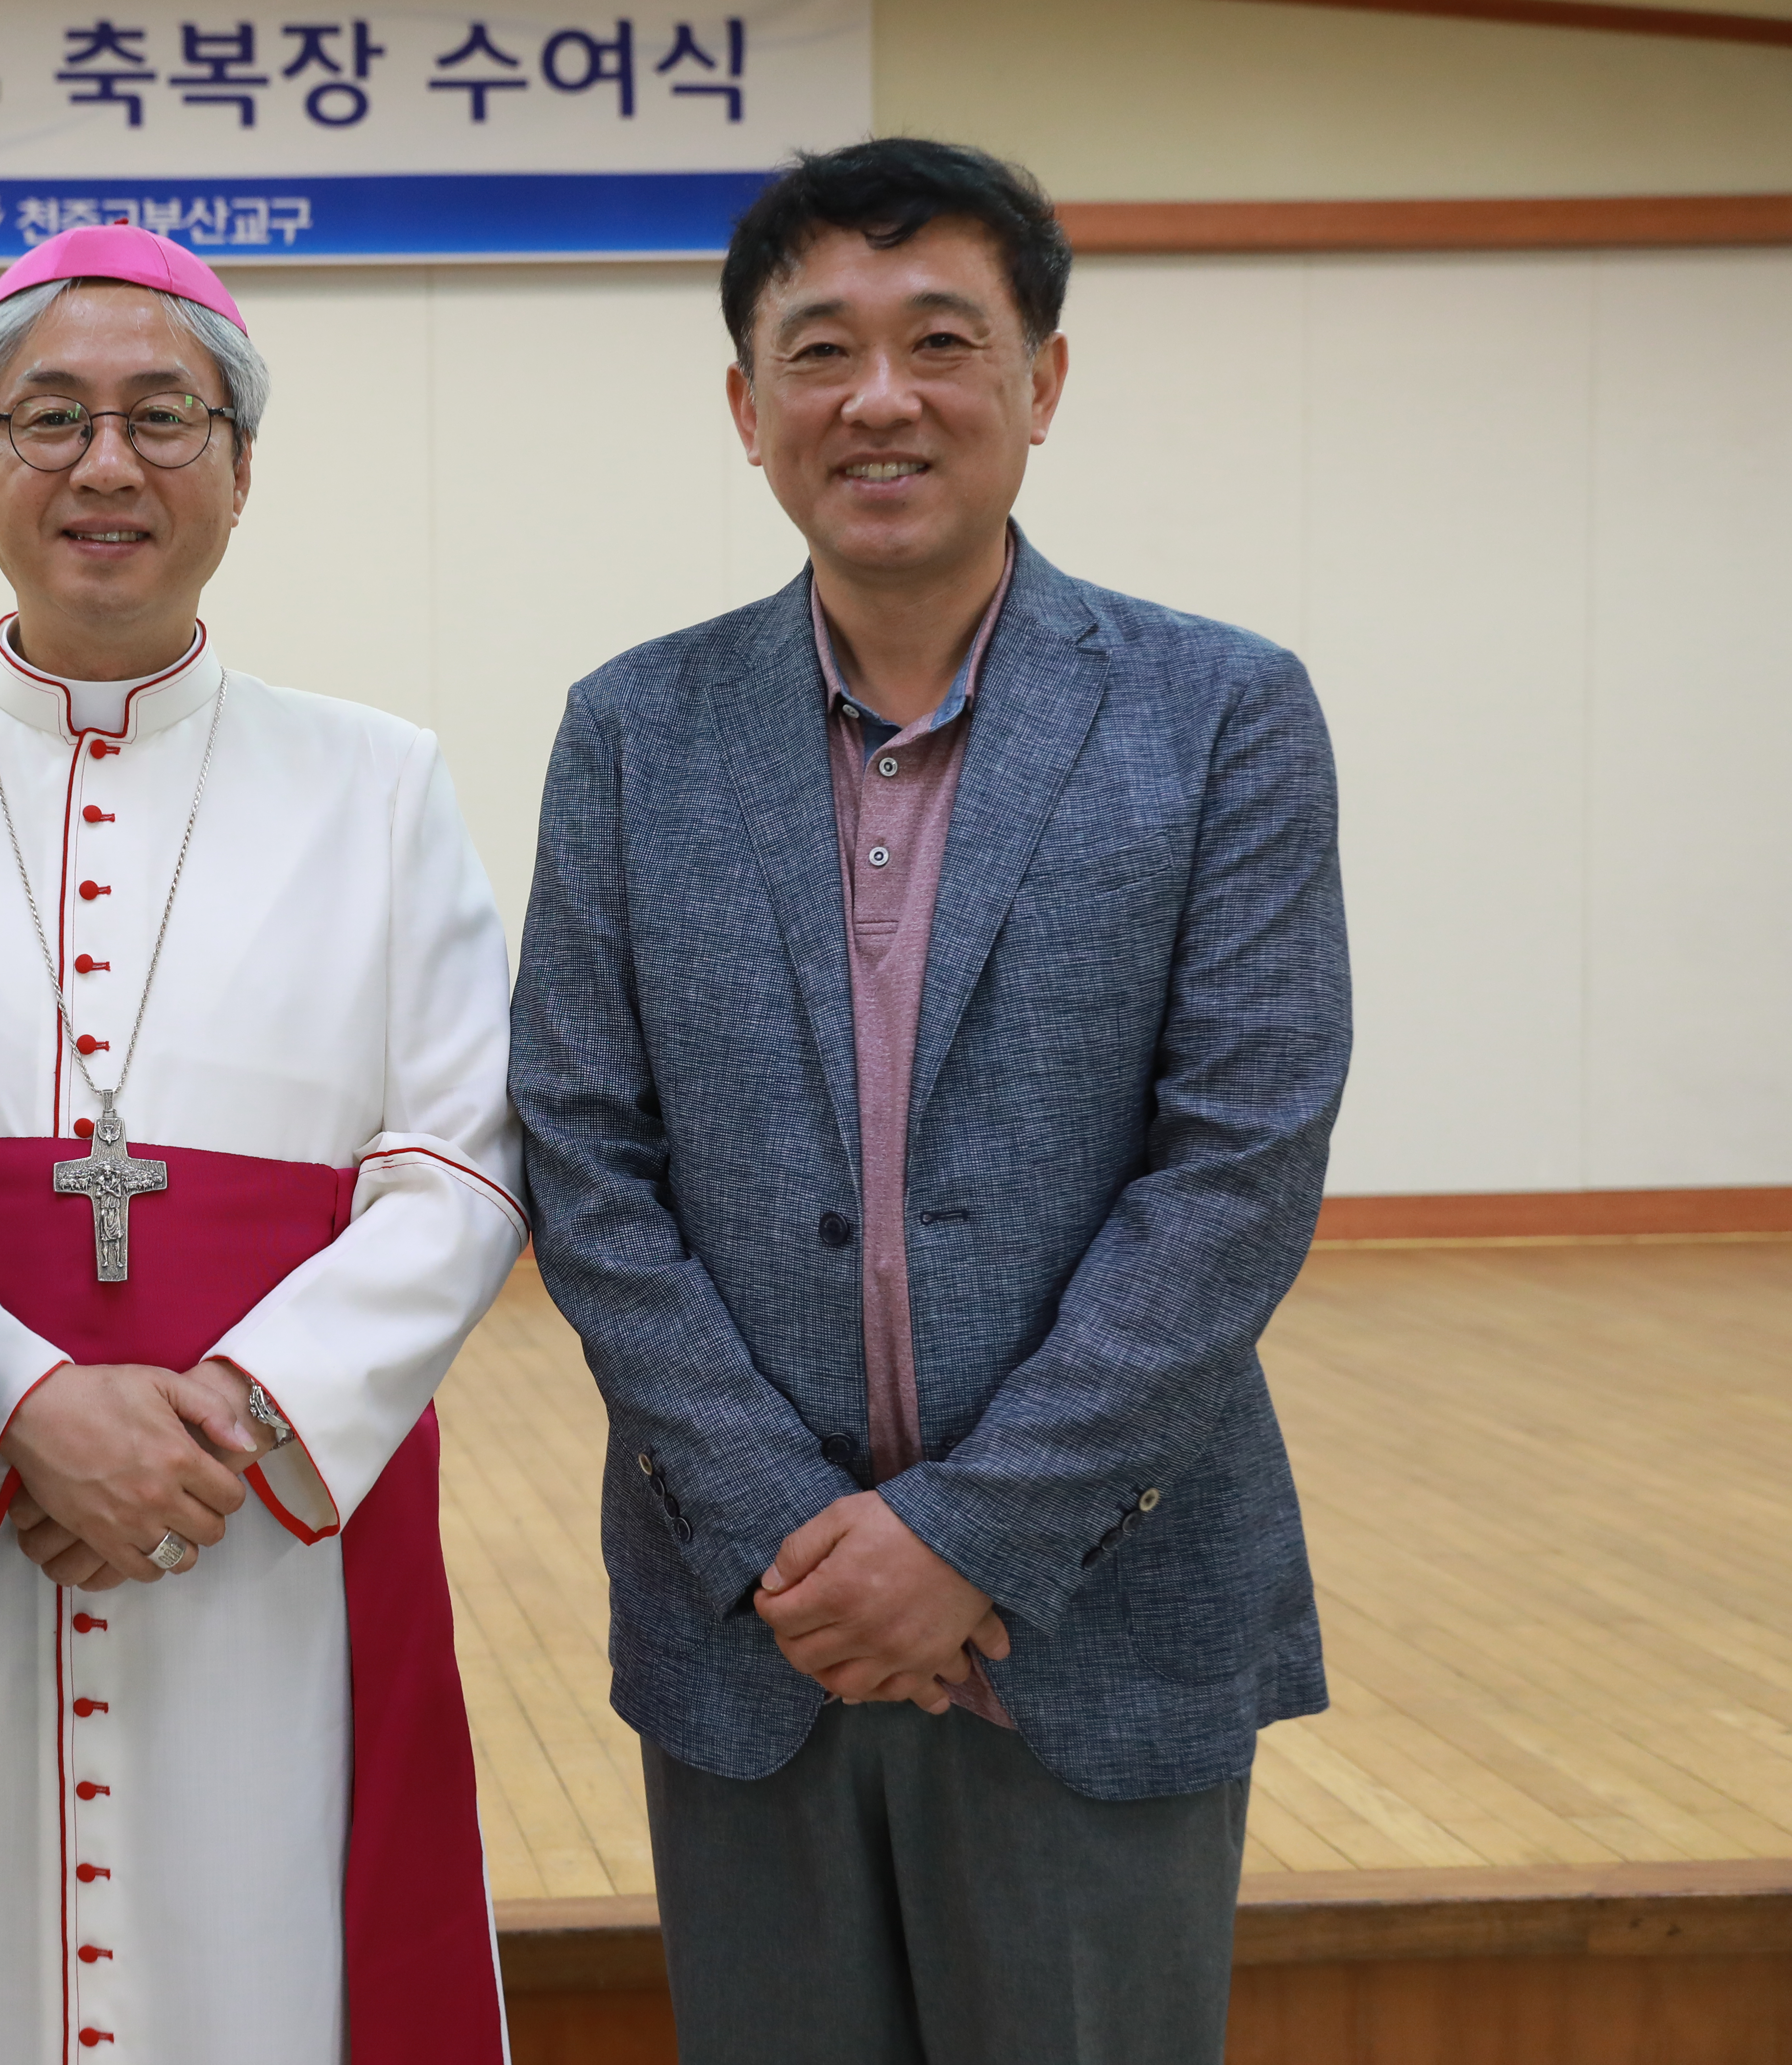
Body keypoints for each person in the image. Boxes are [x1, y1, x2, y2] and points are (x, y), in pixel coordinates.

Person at [510, 139, 1353, 2064]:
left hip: (1100, 1600)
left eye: (941, 342)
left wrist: (965, 1538)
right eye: (819, 352)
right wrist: (794, 1533)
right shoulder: (632, 729)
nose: (878, 398)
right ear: (746, 408)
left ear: (1043, 381)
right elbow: (584, 1150)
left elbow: (1238, 1168)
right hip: (758, 1621)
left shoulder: (1221, 715)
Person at [0, 225, 525, 2065]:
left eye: (166, 416)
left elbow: (466, 1159)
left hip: (275, 1542)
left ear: (241, 466)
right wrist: (25, 1411)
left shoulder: (379, 783)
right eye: (51, 419)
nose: (107, 465)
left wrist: (234, 1414)